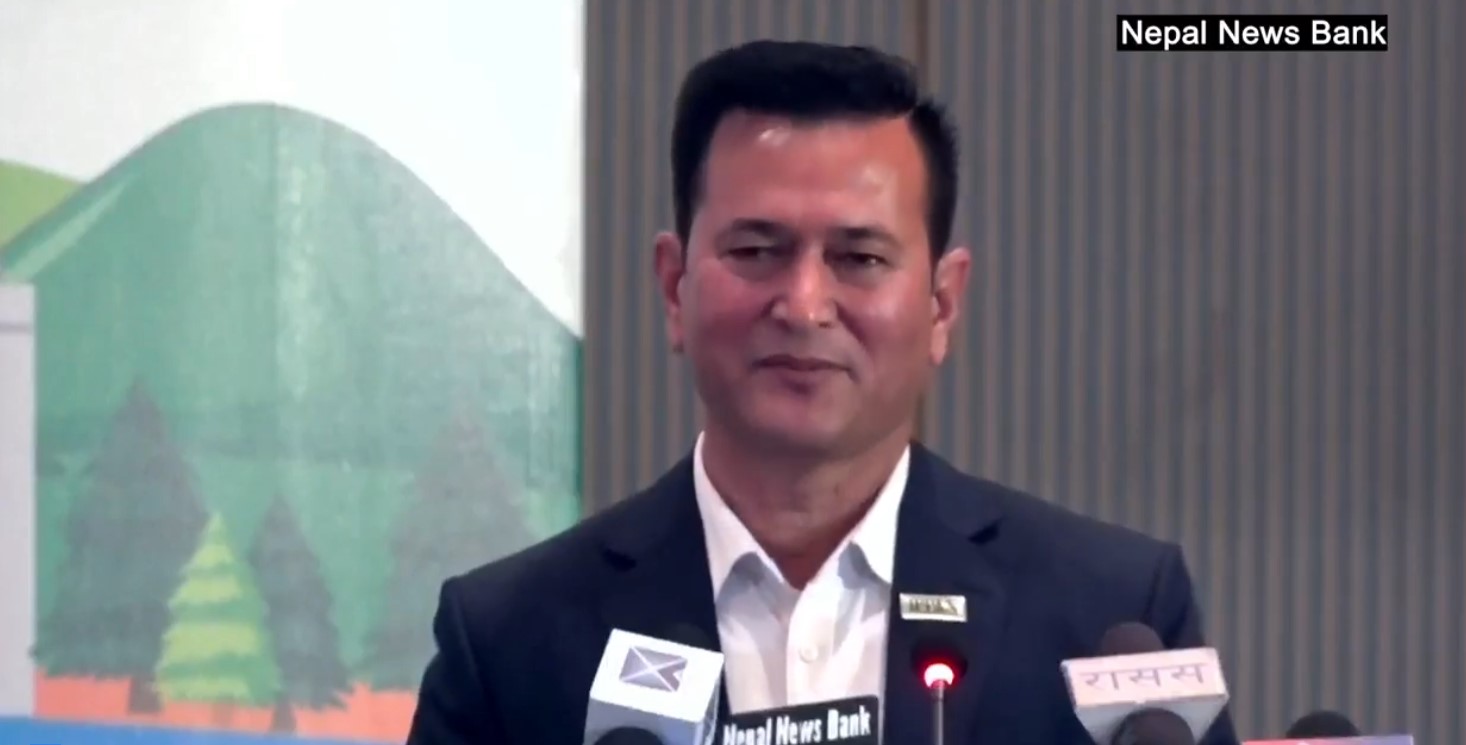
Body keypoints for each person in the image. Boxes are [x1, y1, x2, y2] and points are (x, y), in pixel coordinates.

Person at [406, 39, 1240, 745]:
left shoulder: (1114, 618)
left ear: (942, 304)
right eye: (757, 251)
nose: (804, 305)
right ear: (673, 287)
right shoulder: (508, 640)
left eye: (860, 258)